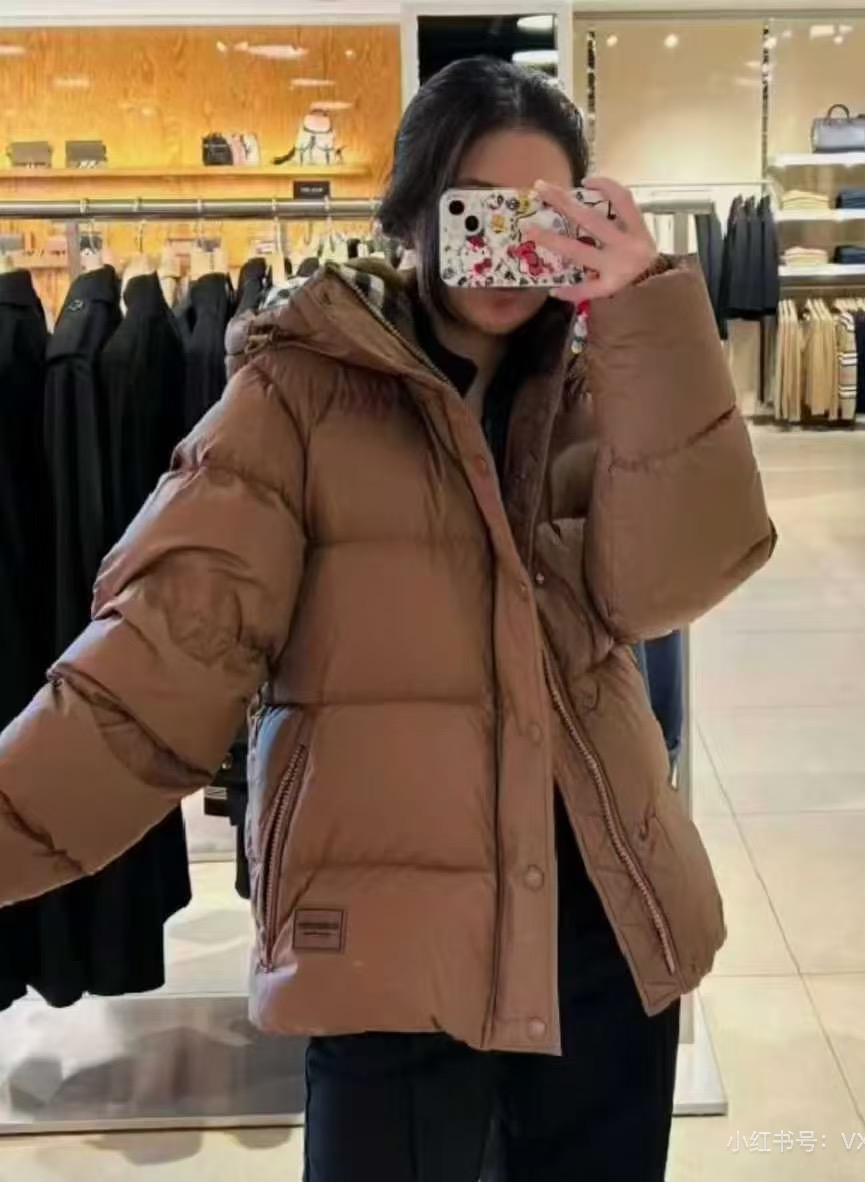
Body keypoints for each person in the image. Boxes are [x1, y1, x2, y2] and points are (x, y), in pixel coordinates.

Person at [0, 58, 773, 1181]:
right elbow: (158, 658)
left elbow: (670, 585)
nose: (503, 244)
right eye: (475, 209)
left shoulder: (601, 385)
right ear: (413, 213)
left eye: (538, 214)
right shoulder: (295, 395)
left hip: (603, 942)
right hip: (389, 961)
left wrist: (644, 313)